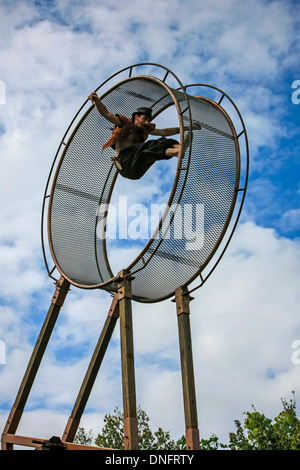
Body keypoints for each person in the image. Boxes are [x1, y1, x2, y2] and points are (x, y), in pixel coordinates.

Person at [88, 91, 195, 180]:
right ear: (136, 117)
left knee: (160, 143)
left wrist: (185, 128)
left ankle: (179, 149)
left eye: (149, 120)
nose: (147, 123)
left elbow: (163, 132)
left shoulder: (145, 130)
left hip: (138, 170)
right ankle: (177, 152)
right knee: (149, 146)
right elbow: (106, 113)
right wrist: (97, 101)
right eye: (145, 119)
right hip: (124, 163)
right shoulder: (124, 123)